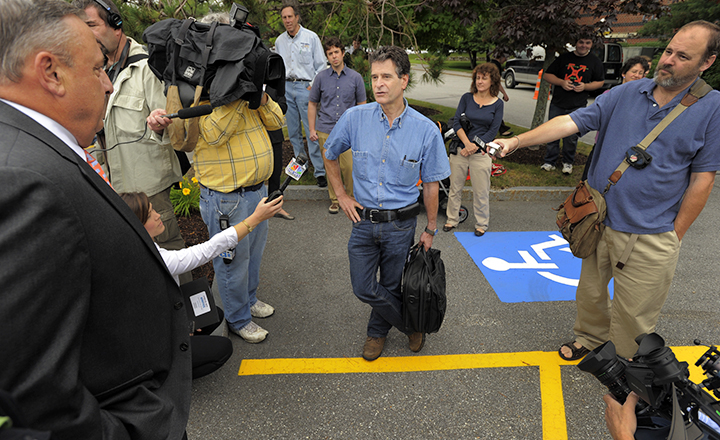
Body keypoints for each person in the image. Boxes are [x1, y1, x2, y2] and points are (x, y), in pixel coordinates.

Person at [0, 0, 192, 438]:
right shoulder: (20, 180)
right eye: (97, 69)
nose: (108, 85)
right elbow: (30, 396)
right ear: (50, 72)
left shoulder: (35, 148)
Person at [494, 21, 720, 360]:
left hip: (651, 232)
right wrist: (516, 141)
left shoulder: (712, 107)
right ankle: (589, 338)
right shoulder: (628, 92)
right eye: (669, 51)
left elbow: (703, 178)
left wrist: (675, 234)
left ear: (707, 63)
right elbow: (571, 121)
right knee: (590, 292)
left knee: (635, 311)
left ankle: (627, 362)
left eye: (682, 56)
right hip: (597, 219)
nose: (668, 60)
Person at [147, 12, 286, 345]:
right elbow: (213, 132)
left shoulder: (245, 89)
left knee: (252, 256)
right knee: (231, 262)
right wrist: (237, 96)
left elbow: (277, 120)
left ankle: (249, 301)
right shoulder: (199, 94)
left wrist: (258, 95)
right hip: (227, 197)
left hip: (258, 193)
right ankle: (238, 318)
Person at [324, 46, 451, 362]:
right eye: (374, 77)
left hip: (401, 225)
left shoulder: (425, 130)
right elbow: (329, 153)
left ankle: (376, 333)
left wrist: (430, 228)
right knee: (363, 287)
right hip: (363, 222)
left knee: (393, 285)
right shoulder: (355, 118)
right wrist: (341, 195)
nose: (378, 83)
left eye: (387, 77)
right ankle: (411, 324)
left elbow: (432, 183)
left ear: (404, 80)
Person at [73, 0, 191, 283]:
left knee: (169, 249)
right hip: (114, 184)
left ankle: (191, 314)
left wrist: (160, 126)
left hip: (148, 186)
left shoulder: (147, 67)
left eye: (92, 25)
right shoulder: (97, 68)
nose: (87, 34)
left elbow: (174, 129)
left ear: (116, 25)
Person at [119, 192, 284, 378]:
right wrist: (254, 218)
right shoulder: (157, 259)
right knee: (222, 349)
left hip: (158, 320)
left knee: (213, 314)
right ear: (135, 225)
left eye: (153, 209)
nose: (158, 215)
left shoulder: (136, 246)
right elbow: (208, 249)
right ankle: (161, 376)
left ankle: (181, 342)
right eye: (149, 215)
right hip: (148, 341)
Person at [443, 63, 503, 237]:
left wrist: (475, 146)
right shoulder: (466, 98)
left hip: (482, 153)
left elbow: (493, 130)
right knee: (454, 188)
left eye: (484, 78)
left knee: (481, 190)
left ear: (492, 81)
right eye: (478, 77)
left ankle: (481, 223)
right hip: (461, 150)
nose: (480, 81)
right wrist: (467, 144)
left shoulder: (498, 104)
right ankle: (452, 219)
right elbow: (456, 123)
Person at [308, 36, 367, 214]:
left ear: (342, 53)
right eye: (330, 53)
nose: (334, 56)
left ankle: (350, 197)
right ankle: (335, 199)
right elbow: (312, 104)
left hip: (348, 131)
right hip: (325, 128)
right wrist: (312, 129)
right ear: (327, 56)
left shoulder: (356, 78)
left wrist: (360, 130)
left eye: (336, 52)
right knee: (330, 167)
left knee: (348, 167)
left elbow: (362, 105)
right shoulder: (320, 78)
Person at [275, 1, 328, 188]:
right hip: (288, 88)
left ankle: (320, 171)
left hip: (306, 89)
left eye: (290, 16)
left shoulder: (311, 38)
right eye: (284, 17)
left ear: (297, 17)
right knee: (294, 132)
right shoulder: (279, 41)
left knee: (311, 131)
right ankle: (300, 167)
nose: (287, 20)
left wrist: (313, 87)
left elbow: (321, 66)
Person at [541, 35, 605, 175]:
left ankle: (568, 163)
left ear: (591, 44)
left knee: (571, 137)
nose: (584, 45)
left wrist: (585, 86)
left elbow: (600, 82)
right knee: (552, 133)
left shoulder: (595, 62)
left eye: (587, 43)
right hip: (558, 103)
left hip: (578, 105)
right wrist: (562, 82)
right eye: (581, 42)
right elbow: (547, 75)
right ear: (576, 43)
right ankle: (549, 161)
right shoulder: (564, 58)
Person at [490, 52, 513, 136]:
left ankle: (502, 129)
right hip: (491, 92)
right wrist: (504, 94)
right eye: (505, 58)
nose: (505, 60)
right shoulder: (496, 66)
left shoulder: (491, 63)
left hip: (488, 92)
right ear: (501, 57)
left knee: (493, 111)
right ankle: (502, 129)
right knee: (495, 111)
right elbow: (497, 82)